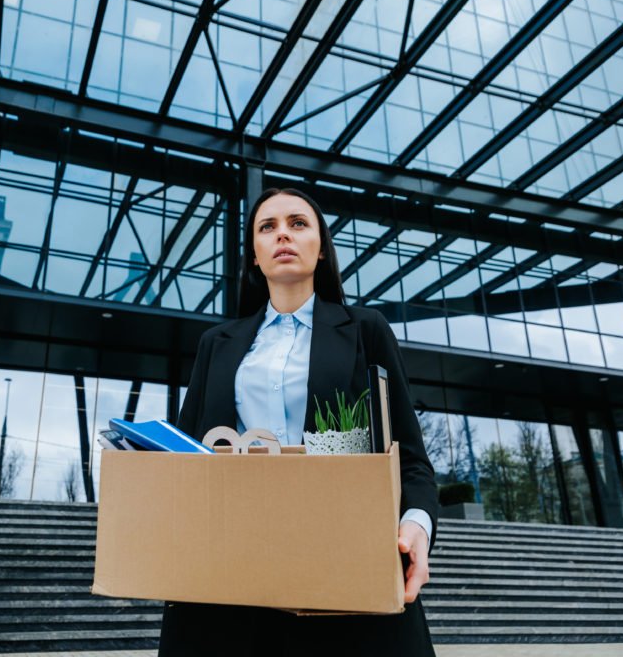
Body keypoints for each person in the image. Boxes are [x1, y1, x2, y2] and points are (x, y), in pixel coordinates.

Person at [159, 187, 439, 656]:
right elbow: (189, 458)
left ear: (322, 247)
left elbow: (410, 460)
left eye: (298, 223)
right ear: (254, 254)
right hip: (229, 575)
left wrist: (416, 526)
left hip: (346, 566)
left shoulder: (364, 330)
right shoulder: (217, 344)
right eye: (267, 227)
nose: (282, 234)